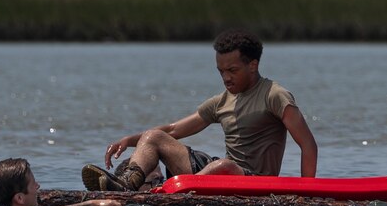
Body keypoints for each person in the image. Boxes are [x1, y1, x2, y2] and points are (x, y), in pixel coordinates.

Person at [82, 29, 317, 191]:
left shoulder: (275, 95)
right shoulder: (222, 101)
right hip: (217, 172)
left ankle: (176, 190)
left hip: (254, 180)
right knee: (153, 136)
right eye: (221, 71)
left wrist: (307, 191)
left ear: (252, 65)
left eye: (232, 70)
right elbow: (173, 130)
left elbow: (308, 144)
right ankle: (125, 185)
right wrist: (128, 140)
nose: (225, 77)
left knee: (224, 166)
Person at [0, 157, 124, 206]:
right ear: (19, 198)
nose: (38, 186)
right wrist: (90, 205)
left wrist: (90, 204)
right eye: (33, 184)